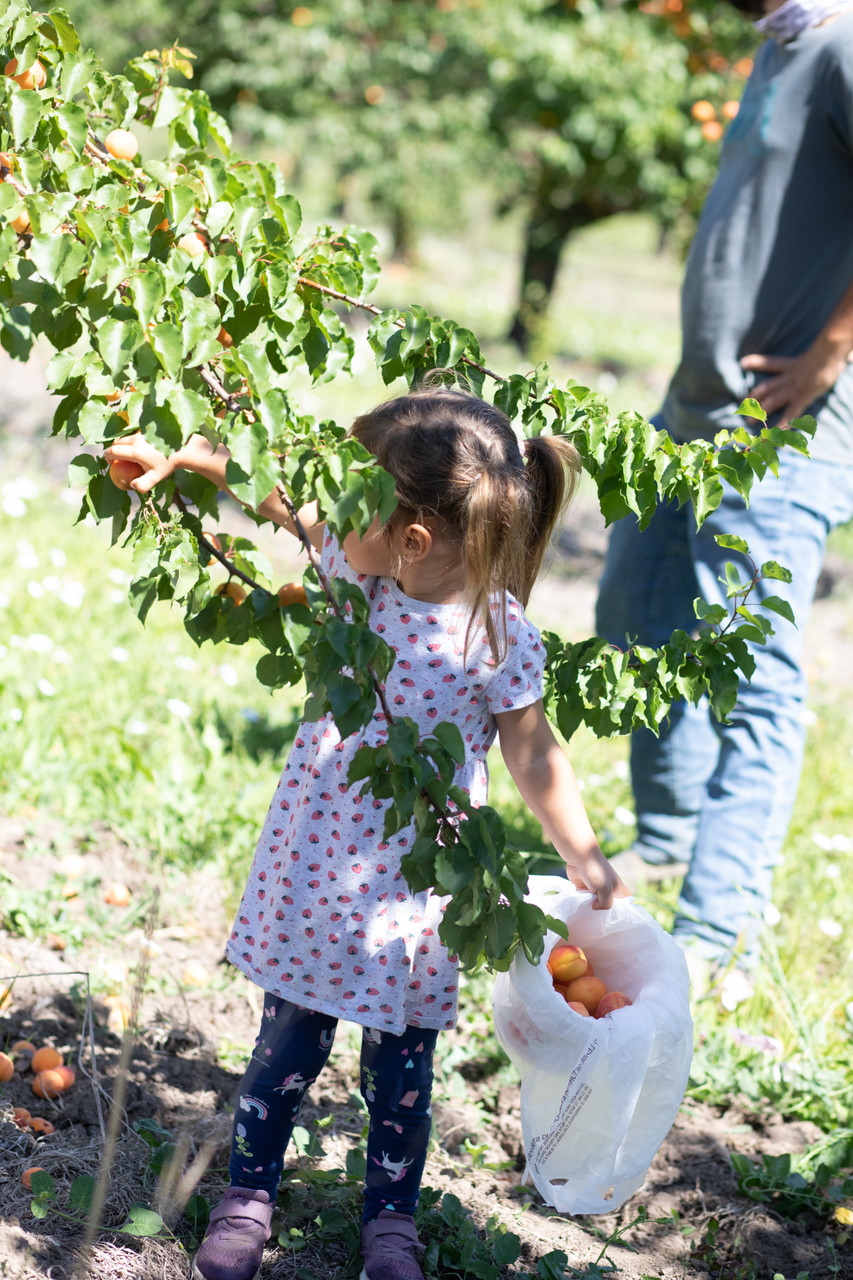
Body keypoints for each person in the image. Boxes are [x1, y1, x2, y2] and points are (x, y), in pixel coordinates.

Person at [106, 386, 627, 1280]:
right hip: (319, 873)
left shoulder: (498, 638)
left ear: (411, 537)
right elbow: (275, 493)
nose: (325, 512)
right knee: (283, 1049)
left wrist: (582, 850)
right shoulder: (355, 573)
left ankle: (390, 1219)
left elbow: (534, 756)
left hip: (419, 897)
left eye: (349, 499)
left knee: (402, 1077)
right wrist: (189, 458)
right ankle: (248, 1194)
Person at [596, 0, 853, 994]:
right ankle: (667, 840)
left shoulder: (839, 43)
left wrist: (834, 344)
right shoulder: (778, 47)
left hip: (778, 428)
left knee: (751, 671)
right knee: (634, 609)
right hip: (693, 407)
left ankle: (719, 925)